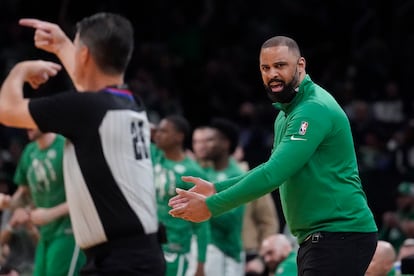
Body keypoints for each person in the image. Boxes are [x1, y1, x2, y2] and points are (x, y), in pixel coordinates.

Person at [168, 35, 378, 275]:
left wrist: (212, 206)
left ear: (300, 65)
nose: (272, 74)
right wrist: (216, 188)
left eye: (280, 66)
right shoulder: (286, 114)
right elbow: (271, 166)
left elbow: (273, 174)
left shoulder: (311, 109)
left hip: (341, 234)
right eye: (265, 68)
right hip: (326, 236)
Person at [0, 12, 165, 275]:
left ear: (85, 54)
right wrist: (63, 45)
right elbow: (90, 90)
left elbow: (6, 111)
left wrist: (19, 71)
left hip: (120, 261)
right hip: (137, 255)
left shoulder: (89, 109)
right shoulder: (129, 102)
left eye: (77, 49)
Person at [0, 129, 85, 276]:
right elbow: (22, 195)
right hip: (45, 237)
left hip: (69, 233)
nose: (25, 125)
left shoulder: (66, 146)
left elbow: (85, 196)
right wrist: (8, 202)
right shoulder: (29, 151)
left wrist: (50, 214)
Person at [151, 115, 209, 276]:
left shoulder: (193, 172)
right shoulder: (156, 156)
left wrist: (201, 262)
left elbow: (203, 221)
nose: (158, 134)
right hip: (152, 243)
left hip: (176, 247)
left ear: (179, 137)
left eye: (164, 131)